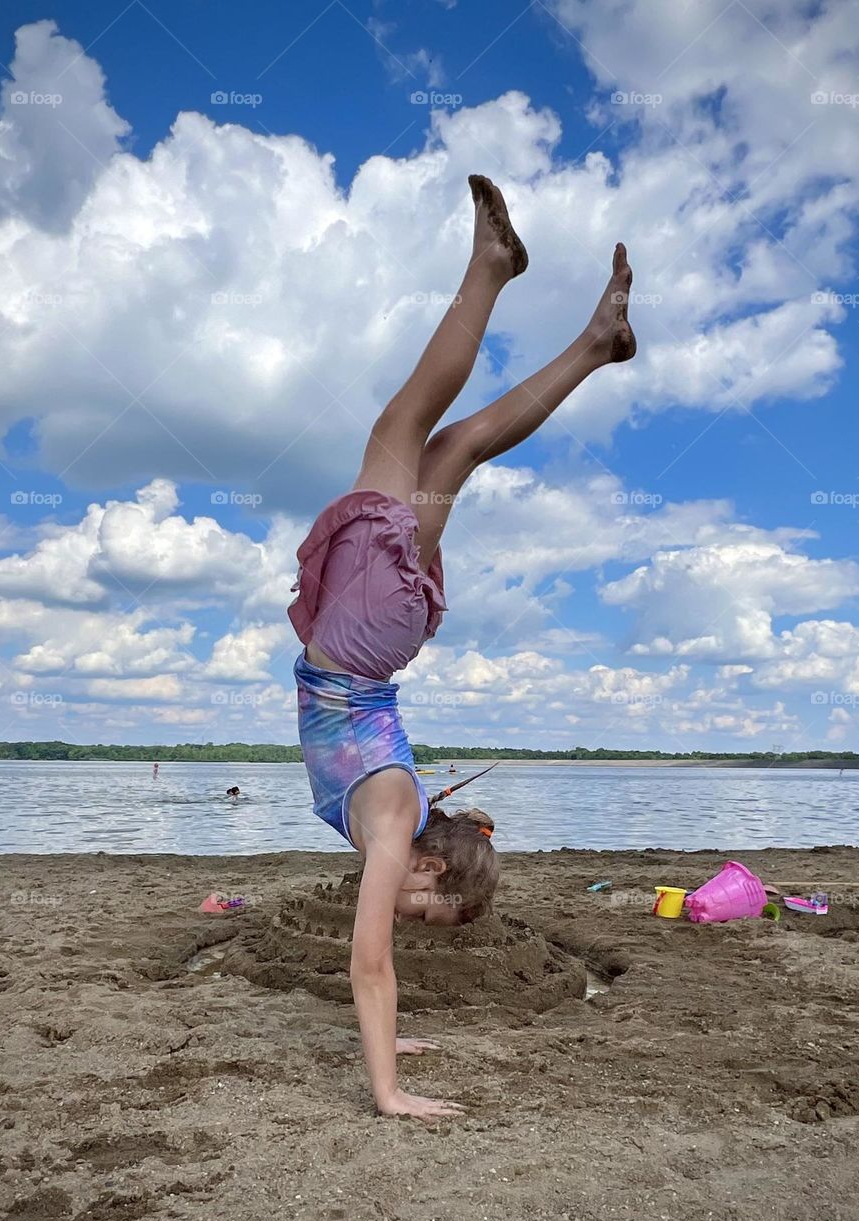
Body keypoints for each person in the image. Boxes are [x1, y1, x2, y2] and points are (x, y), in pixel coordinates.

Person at [288, 175, 636, 1120]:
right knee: (410, 431)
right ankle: (493, 272)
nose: (411, 918)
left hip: (370, 639)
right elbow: (369, 963)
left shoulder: (402, 823)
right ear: (432, 869)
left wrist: (388, 1034)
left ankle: (595, 341)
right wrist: (389, 1091)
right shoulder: (399, 826)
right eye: (427, 908)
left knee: (452, 445)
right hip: (363, 637)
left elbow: (379, 966)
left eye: (423, 921)